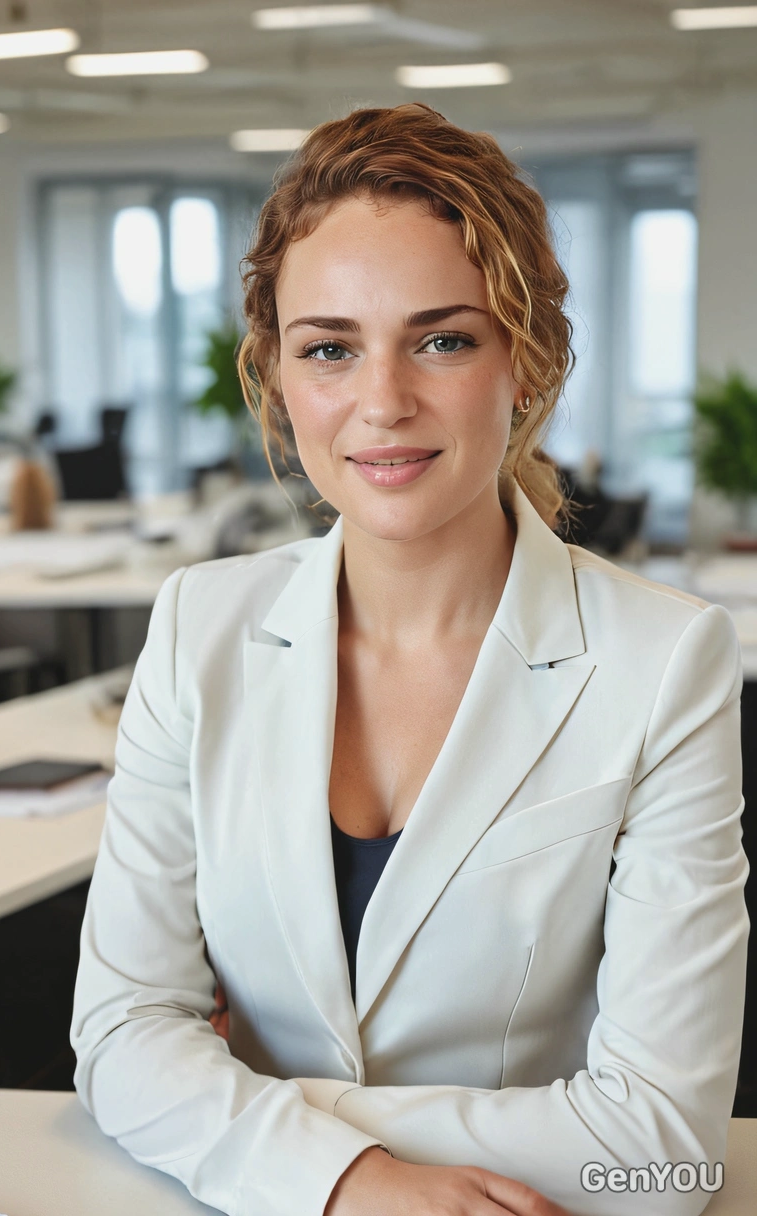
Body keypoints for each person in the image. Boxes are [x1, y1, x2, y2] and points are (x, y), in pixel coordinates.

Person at [71, 104, 748, 1216]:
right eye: (329, 348)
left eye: (442, 338)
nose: (381, 402)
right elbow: (117, 1029)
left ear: (525, 361)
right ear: (279, 378)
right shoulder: (200, 627)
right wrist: (349, 1182)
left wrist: (249, 1113)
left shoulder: (663, 659)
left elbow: (665, 1151)